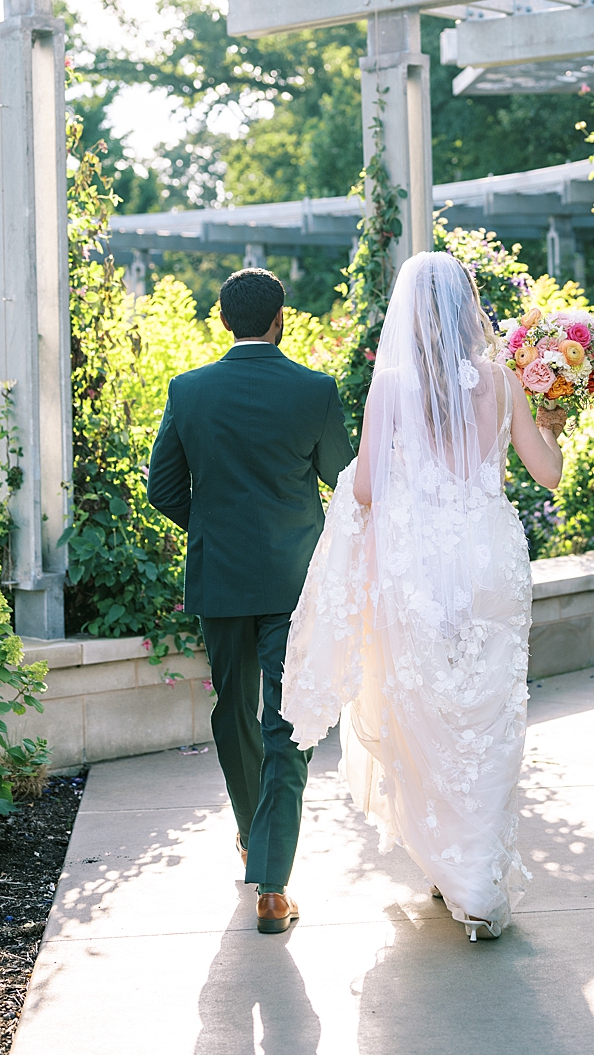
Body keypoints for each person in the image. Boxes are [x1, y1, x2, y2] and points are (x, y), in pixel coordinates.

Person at [281, 252, 566, 941]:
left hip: (422, 572)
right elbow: (549, 475)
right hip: (490, 564)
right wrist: (555, 421)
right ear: (469, 306)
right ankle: (478, 877)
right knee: (489, 716)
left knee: (429, 712)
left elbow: (368, 491)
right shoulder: (502, 382)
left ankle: (454, 871)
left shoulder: (394, 387)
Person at [146, 267, 356, 935]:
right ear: (281, 318)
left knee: (231, 709)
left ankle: (249, 835)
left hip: (220, 577)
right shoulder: (315, 391)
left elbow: (163, 489)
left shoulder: (188, 390)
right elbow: (343, 483)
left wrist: (210, 529)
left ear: (221, 317)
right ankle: (272, 882)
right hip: (295, 580)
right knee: (288, 719)